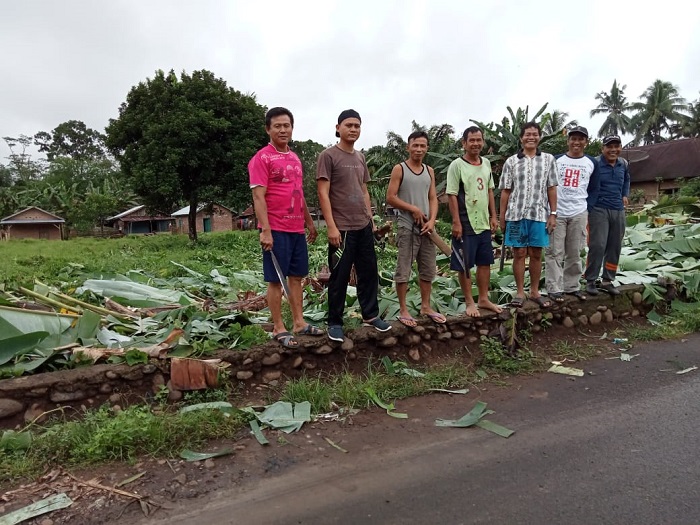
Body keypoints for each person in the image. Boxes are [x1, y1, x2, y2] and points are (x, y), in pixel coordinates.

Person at [248, 106, 323, 348]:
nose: (283, 130)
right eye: (277, 126)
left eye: (286, 125)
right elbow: (259, 197)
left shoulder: (294, 158)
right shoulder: (261, 158)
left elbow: (298, 194)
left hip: (296, 230)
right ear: (268, 129)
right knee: (275, 280)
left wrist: (309, 222)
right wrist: (265, 230)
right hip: (276, 229)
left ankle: (299, 322)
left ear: (292, 128)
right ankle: (278, 327)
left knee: (296, 277)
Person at [317, 109, 391, 342]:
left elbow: (364, 190)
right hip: (342, 228)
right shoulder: (328, 156)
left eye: (357, 126)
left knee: (368, 272)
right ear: (338, 128)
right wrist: (331, 226)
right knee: (338, 275)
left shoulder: (360, 157)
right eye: (348, 125)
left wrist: (370, 219)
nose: (353, 129)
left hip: (363, 225)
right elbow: (323, 192)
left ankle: (370, 315)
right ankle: (335, 322)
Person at [385, 131, 446, 327]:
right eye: (415, 145)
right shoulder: (400, 169)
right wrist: (413, 209)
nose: (419, 149)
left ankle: (426, 306)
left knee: (427, 268)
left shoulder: (429, 171)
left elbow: (432, 198)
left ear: (427, 148)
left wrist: (432, 220)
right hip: (407, 226)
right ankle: (403, 309)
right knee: (404, 268)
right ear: (408, 147)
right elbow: (391, 197)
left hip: (427, 228)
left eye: (422, 146)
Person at [499, 122, 558, 308]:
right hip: (516, 214)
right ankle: (519, 292)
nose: (531, 137)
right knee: (519, 253)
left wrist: (553, 213)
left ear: (539, 137)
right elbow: (506, 191)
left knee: (536, 253)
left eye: (534, 134)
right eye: (527, 134)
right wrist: (502, 217)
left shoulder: (548, 160)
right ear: (521, 138)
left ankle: (534, 291)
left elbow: (551, 188)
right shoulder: (511, 161)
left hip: (539, 214)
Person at [446, 126, 502, 317]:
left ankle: (484, 299)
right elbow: (452, 195)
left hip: (484, 222)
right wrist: (456, 222)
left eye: (479, 140)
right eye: (472, 140)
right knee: (465, 264)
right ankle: (470, 302)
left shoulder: (486, 163)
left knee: (485, 261)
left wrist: (494, 216)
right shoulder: (457, 165)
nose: (476, 144)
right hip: (465, 220)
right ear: (464, 143)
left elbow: (489, 190)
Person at [545, 126, 600, 302]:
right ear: (568, 141)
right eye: (573, 139)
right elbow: (548, 185)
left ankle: (572, 286)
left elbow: (594, 188)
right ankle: (554, 288)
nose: (577, 142)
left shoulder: (592, 163)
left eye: (581, 139)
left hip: (578, 212)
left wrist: (587, 208)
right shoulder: (556, 160)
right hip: (557, 212)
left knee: (575, 252)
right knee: (554, 251)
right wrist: (550, 210)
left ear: (586, 141)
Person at [584, 134, 630, 296]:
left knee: (615, 246)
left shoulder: (623, 164)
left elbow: (626, 181)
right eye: (609, 146)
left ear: (620, 148)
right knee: (597, 245)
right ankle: (590, 280)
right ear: (602, 148)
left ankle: (607, 280)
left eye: (616, 146)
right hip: (598, 209)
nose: (613, 150)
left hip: (618, 210)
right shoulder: (594, 164)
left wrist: (625, 194)